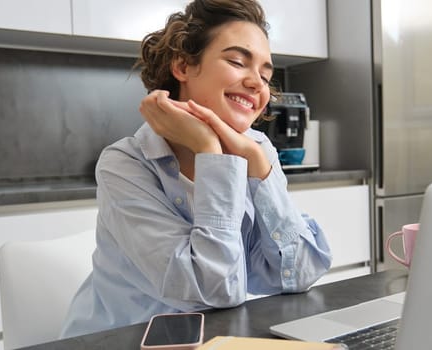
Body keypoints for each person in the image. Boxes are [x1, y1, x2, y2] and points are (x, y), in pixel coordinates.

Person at [60, 0, 332, 338]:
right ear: (184, 66)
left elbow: (300, 272)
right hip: (117, 341)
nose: (257, 84)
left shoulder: (257, 150)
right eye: (237, 61)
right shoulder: (125, 165)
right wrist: (210, 152)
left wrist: (260, 166)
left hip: (213, 339)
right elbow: (212, 292)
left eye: (265, 75)